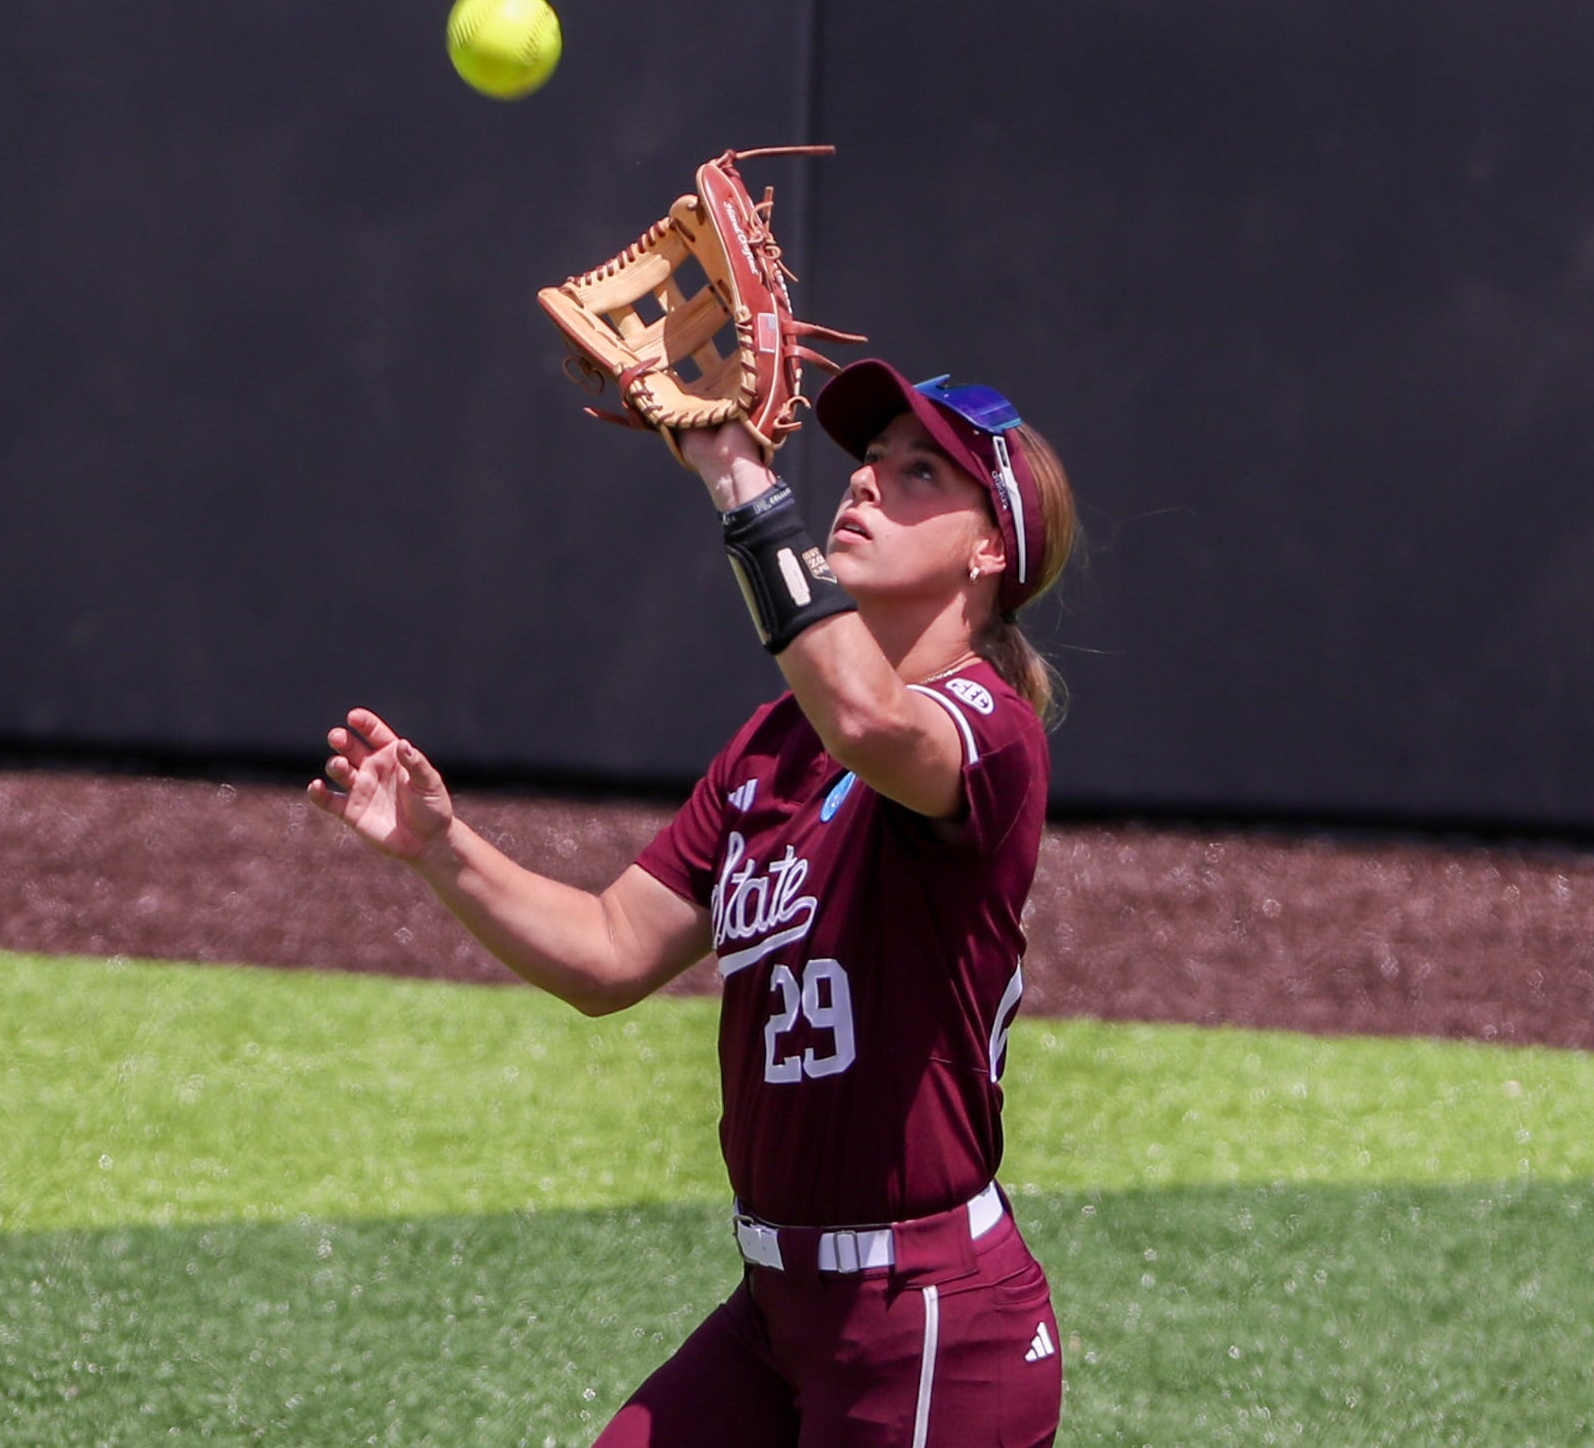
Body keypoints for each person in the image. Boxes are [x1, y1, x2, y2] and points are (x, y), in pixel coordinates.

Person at [308, 357, 1078, 1447]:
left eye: (916, 475)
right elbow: (610, 953)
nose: (862, 486)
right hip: (778, 1314)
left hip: (928, 1325)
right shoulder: (772, 747)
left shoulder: (984, 725)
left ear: (990, 545)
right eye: (863, 464)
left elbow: (869, 721)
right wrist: (442, 849)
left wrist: (735, 476)